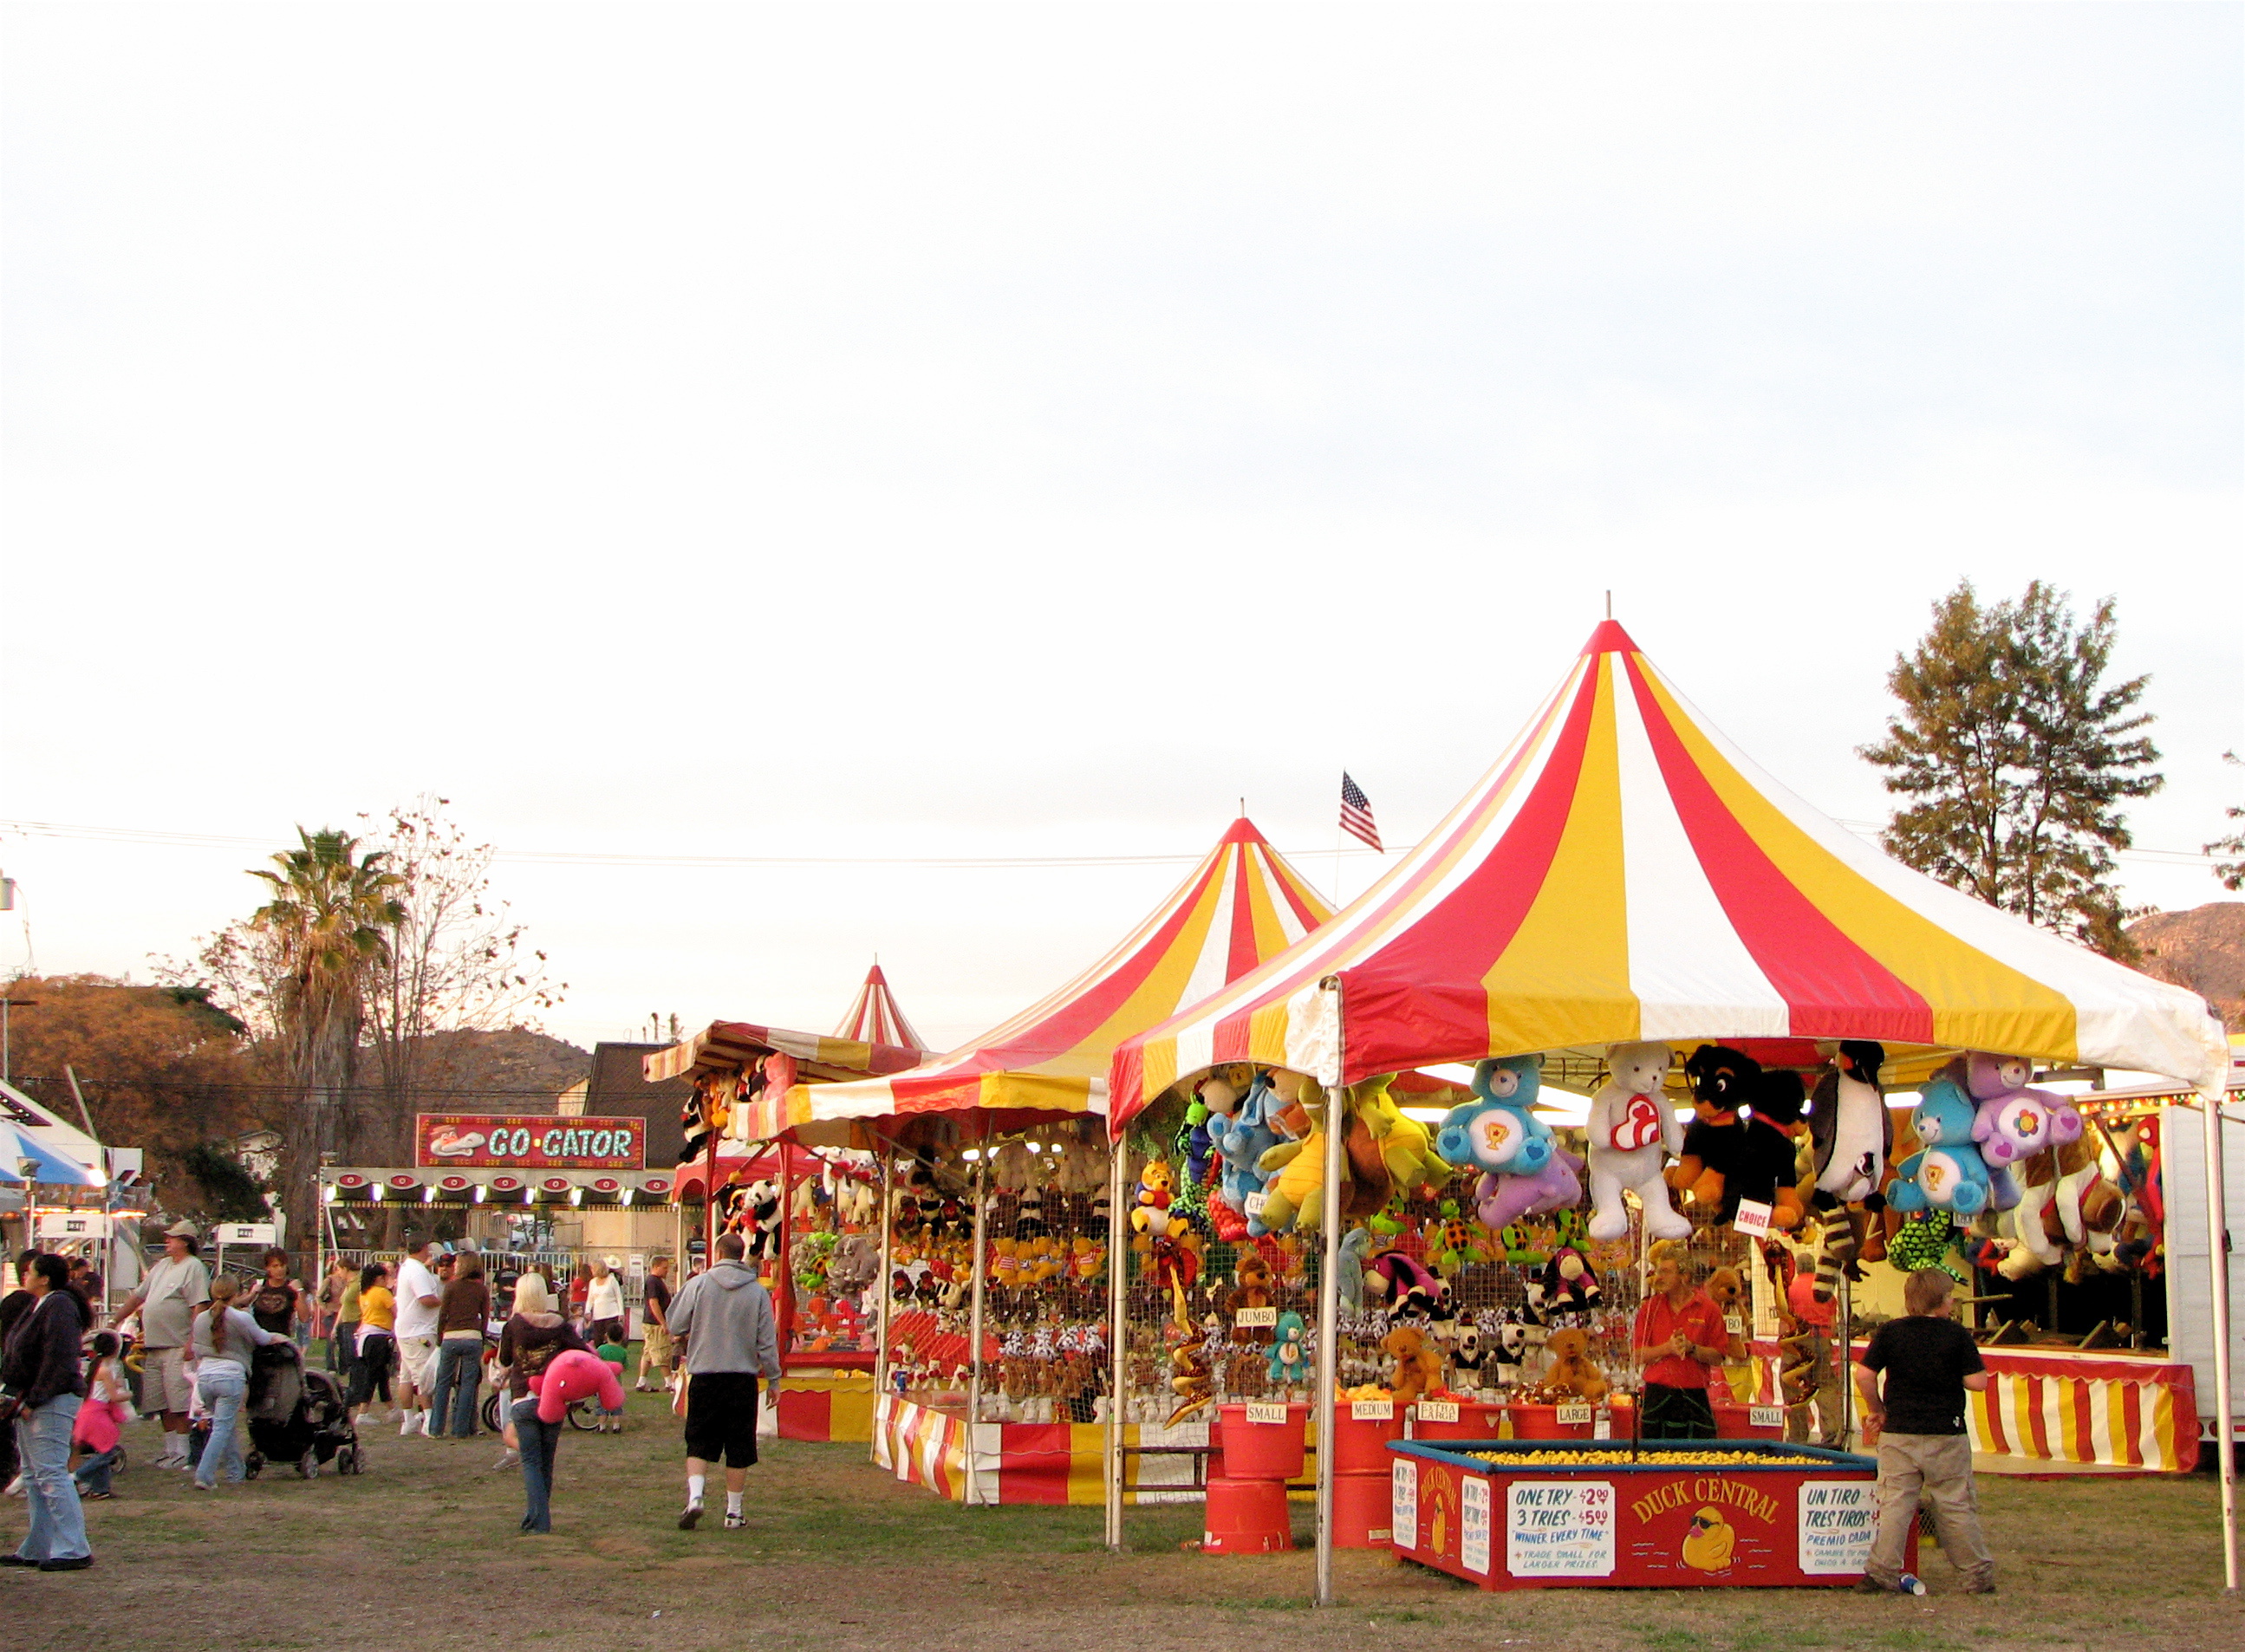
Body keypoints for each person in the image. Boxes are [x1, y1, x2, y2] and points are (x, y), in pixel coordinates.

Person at [1852, 1267, 1997, 1596]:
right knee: (1955, 1504)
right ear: (1943, 1301)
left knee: (1896, 1502)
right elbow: (1978, 1382)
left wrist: (1877, 1410)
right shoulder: (1956, 1335)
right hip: (1947, 1432)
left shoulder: (1889, 1332)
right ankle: (1976, 1574)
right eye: (1950, 1297)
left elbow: (1863, 1375)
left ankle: (1880, 1572)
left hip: (1899, 1430)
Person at [665, 1231, 781, 1532]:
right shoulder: (757, 1292)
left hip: (704, 1374)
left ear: (716, 1254)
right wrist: (774, 1378)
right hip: (741, 1378)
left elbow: (674, 1322)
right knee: (739, 1445)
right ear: (741, 1255)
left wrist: (695, 1327)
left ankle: (695, 1497)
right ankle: (734, 1512)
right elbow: (767, 1341)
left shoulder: (698, 1284)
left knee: (699, 1440)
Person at [1, 1253, 94, 1570]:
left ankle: (73, 1547)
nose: (25, 1276)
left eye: (31, 1272)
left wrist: (35, 1398)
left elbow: (59, 1356)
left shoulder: (59, 1305)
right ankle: (38, 1545)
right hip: (32, 1398)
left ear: (44, 1278)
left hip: (52, 1399)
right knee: (33, 1474)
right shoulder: (39, 1305)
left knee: (51, 1472)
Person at [109, 1219, 210, 1470]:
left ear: (185, 1241)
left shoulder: (194, 1268)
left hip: (177, 1346)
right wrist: (116, 1319)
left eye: (172, 1237)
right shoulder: (162, 1266)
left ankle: (184, 1452)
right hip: (153, 1345)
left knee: (179, 1402)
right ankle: (170, 1450)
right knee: (159, 1402)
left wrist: (191, 1342)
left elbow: (199, 1305)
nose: (167, 1241)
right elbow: (138, 1296)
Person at [496, 1273, 586, 1534]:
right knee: (547, 1461)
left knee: (531, 1460)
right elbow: (581, 1351)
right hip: (554, 1398)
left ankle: (538, 1520)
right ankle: (538, 1514)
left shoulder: (515, 1325)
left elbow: (504, 1359)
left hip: (524, 1396)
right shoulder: (560, 1324)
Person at [188, 1276, 285, 1491]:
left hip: (205, 1376)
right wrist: (281, 1339)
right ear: (237, 1294)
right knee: (222, 1428)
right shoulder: (241, 1318)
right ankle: (204, 1474)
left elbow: (195, 1347)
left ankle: (235, 1470)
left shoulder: (202, 1318)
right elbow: (262, 1338)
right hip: (230, 1376)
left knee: (224, 1424)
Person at [1630, 1239, 1728, 1441]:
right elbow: (1637, 1356)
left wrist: (1692, 1349)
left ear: (1685, 1276)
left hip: (1694, 1394)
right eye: (1659, 1271)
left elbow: (1718, 1356)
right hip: (1657, 1394)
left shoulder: (1709, 1309)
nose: (1659, 1277)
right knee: (1653, 1461)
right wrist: (1667, 1348)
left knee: (1700, 1459)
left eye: (1666, 1271)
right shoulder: (1650, 1308)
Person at [1776, 1239, 1842, 1447]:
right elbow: (1833, 1323)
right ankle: (1832, 1435)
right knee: (1825, 1385)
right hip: (1821, 1338)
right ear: (1814, 1267)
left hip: (1798, 1342)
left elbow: (1784, 1321)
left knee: (1793, 1387)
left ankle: (1798, 1435)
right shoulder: (1826, 1290)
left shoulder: (1791, 1288)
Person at [429, 1252, 491, 1439]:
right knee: (468, 1384)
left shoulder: (451, 1287)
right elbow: (485, 1317)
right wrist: (481, 1336)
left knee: (443, 1383)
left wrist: (440, 1336)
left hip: (451, 1336)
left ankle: (436, 1428)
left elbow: (443, 1314)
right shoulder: (481, 1290)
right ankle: (461, 1428)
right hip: (472, 1336)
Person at [69, 1333, 133, 1499]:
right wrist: (129, 1394)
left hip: (90, 1411)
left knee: (103, 1448)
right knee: (108, 1451)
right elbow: (114, 1396)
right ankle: (76, 1477)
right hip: (96, 1414)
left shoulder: (97, 1367)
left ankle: (101, 1488)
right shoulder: (105, 1370)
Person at [393, 1236, 445, 1439]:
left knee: (406, 1376)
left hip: (407, 1329)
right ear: (423, 1248)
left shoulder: (407, 1267)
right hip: (418, 1331)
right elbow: (425, 1298)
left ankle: (408, 1419)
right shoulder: (417, 1270)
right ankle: (429, 1418)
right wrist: (443, 1302)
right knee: (423, 1377)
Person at [348, 1263, 397, 1421]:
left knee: (381, 1374)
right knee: (373, 1374)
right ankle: (363, 1411)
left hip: (367, 1336)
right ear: (379, 1278)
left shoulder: (365, 1293)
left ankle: (391, 1408)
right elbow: (396, 1312)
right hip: (379, 1336)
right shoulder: (382, 1293)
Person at [245, 1248, 306, 1343]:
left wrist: (299, 1291)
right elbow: (241, 1309)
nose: (280, 1269)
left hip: (281, 1341)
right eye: (275, 1266)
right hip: (259, 1341)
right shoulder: (260, 1285)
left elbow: (304, 1318)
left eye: (282, 1265)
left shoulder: (291, 1288)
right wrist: (252, 1294)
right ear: (267, 1268)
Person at [636, 1256, 674, 1392]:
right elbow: (653, 1302)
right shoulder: (653, 1281)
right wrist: (663, 1322)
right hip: (654, 1323)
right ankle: (669, 1383)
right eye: (664, 1268)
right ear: (656, 1267)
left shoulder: (656, 1281)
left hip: (650, 1322)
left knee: (648, 1353)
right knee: (661, 1351)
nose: (667, 1271)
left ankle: (641, 1382)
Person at [321, 1257, 359, 1375]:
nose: (338, 1272)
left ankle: (347, 1370)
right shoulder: (336, 1281)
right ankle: (333, 1367)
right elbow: (344, 1305)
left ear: (345, 1269)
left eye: (340, 1269)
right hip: (340, 1317)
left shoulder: (356, 1283)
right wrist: (326, 1310)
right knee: (335, 1344)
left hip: (354, 1321)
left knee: (350, 1351)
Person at [593, 1331, 628, 1433]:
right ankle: (616, 1426)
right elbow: (625, 1368)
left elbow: (596, 1363)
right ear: (621, 1338)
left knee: (602, 1404)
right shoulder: (623, 1351)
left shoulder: (600, 1349)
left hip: (602, 1383)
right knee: (616, 1405)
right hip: (617, 1383)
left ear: (606, 1336)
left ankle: (602, 1426)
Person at [586, 1256, 626, 1345]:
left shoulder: (612, 1280)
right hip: (598, 1315)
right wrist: (587, 1311)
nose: (591, 1271)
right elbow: (590, 1298)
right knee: (598, 1339)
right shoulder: (592, 1282)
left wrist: (621, 1313)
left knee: (611, 1339)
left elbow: (619, 1297)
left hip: (612, 1314)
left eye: (593, 1268)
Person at [566, 1262, 592, 1334]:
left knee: (575, 1321)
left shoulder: (578, 1281)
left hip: (576, 1301)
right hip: (586, 1301)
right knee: (584, 1322)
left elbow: (572, 1289)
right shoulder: (591, 1281)